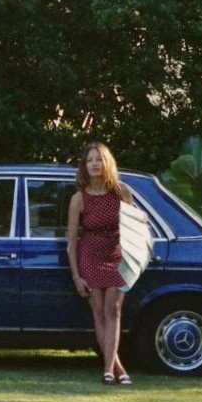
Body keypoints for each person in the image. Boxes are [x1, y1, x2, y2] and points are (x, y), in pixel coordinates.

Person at [67, 141, 133, 386]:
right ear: (85, 166)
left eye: (98, 159)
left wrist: (143, 223)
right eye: (89, 160)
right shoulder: (79, 199)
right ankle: (115, 369)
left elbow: (133, 230)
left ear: (107, 163)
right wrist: (76, 276)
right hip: (90, 256)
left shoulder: (122, 192)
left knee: (113, 310)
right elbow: (71, 242)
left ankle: (109, 368)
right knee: (99, 312)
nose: (94, 164)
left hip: (117, 255)